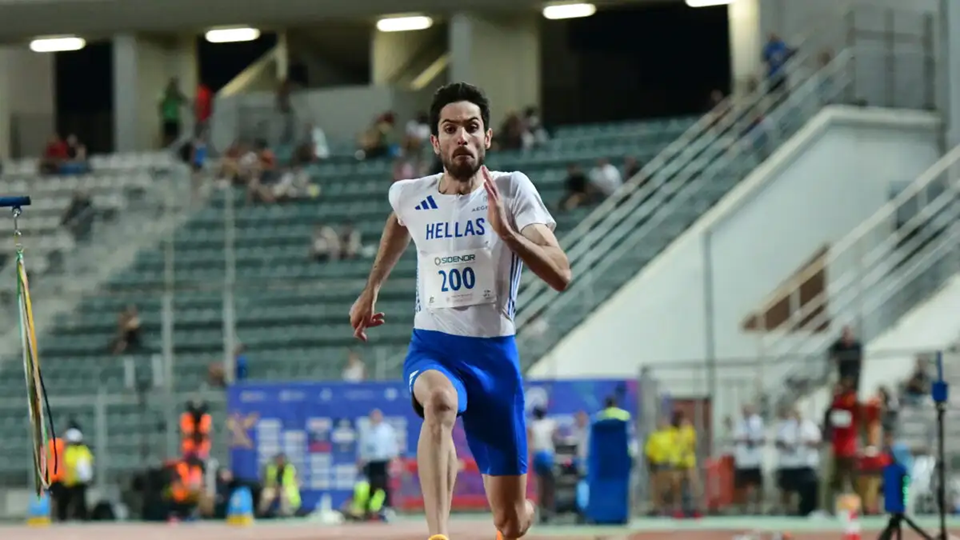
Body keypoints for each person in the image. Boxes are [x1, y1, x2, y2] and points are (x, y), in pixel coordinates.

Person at [349, 82, 572, 540]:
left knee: (510, 523)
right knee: (440, 403)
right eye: (450, 129)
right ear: (436, 142)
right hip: (434, 347)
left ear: (487, 137)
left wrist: (508, 233)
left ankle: (523, 510)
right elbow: (398, 224)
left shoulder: (512, 189)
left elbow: (561, 273)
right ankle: (438, 535)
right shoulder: (411, 194)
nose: (461, 137)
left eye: (471, 127)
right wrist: (371, 288)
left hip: (494, 359)